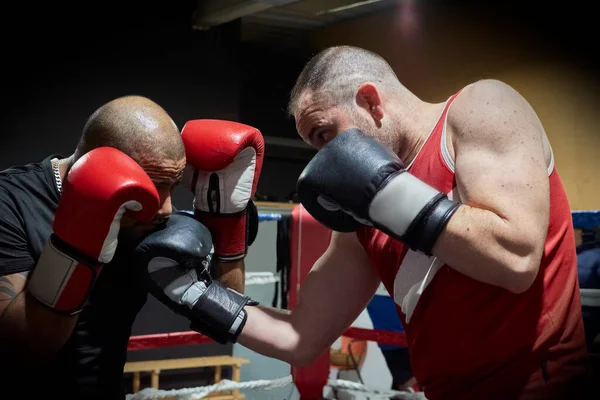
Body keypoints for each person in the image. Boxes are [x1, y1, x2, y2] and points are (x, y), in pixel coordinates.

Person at [134, 45, 593, 400]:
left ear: (371, 101)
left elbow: (516, 260)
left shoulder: (480, 109)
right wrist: (194, 295)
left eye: (325, 135)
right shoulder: (362, 216)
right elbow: (299, 337)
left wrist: (385, 194)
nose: (327, 159)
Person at [0, 97, 261, 399]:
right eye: (152, 184)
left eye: (173, 185)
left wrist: (227, 222)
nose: (165, 208)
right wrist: (83, 238)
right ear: (102, 166)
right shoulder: (11, 204)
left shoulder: (146, 220)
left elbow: (222, 320)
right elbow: (17, 349)